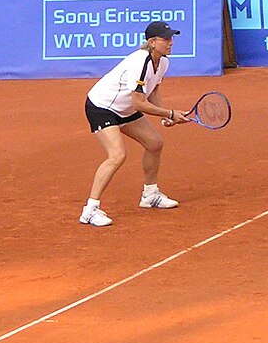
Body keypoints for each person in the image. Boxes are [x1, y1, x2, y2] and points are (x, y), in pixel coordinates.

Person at [79, 21, 192, 228]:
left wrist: (165, 115)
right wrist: (170, 113)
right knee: (117, 155)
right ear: (152, 42)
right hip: (102, 107)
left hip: (125, 109)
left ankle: (150, 195)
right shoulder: (140, 63)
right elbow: (139, 102)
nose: (170, 42)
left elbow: (152, 91)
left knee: (155, 143)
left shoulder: (163, 62)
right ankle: (90, 210)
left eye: (171, 38)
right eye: (165, 39)